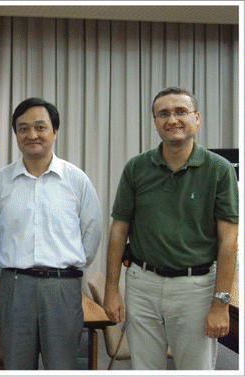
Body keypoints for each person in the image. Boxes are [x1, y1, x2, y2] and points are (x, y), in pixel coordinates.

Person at [103, 87, 239, 370]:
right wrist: (112, 289)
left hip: (196, 289)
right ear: (155, 123)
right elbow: (119, 230)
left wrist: (221, 303)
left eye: (181, 111)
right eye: (163, 113)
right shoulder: (137, 168)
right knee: (145, 368)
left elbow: (229, 241)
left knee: (195, 369)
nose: (172, 119)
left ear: (197, 119)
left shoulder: (220, 170)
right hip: (142, 285)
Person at [0, 97, 102, 369]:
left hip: (62, 288)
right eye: (23, 129)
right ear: (16, 135)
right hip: (14, 287)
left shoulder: (76, 180)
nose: (32, 135)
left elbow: (92, 232)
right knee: (16, 365)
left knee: (62, 365)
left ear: (55, 132)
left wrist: (70, 267)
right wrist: (7, 271)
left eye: (40, 127)